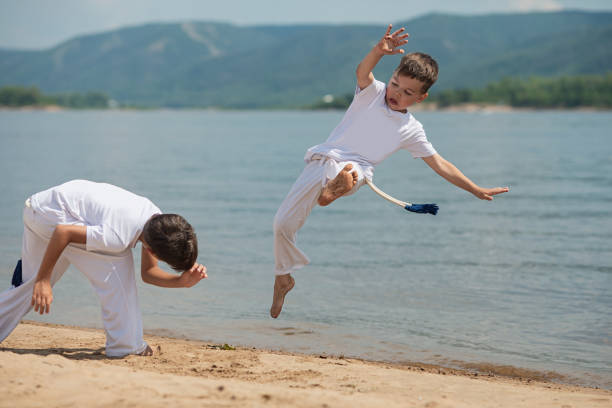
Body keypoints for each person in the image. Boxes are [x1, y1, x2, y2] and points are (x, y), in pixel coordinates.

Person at [270, 25, 509, 318]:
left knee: (348, 172)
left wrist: (475, 188)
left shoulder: (411, 130)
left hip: (356, 170)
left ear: (420, 98)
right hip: (323, 158)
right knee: (281, 223)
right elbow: (362, 71)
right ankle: (284, 277)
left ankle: (335, 189)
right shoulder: (372, 93)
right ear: (392, 77)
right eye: (396, 83)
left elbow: (439, 163)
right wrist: (378, 51)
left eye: (407, 92)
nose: (396, 93)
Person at [0, 179, 207, 357]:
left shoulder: (156, 220)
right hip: (52, 219)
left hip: (39, 207)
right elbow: (63, 233)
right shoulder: (116, 236)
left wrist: (181, 282)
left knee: (28, 289)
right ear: (153, 252)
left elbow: (148, 274)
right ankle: (125, 346)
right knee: (118, 264)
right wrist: (44, 280)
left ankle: (126, 343)